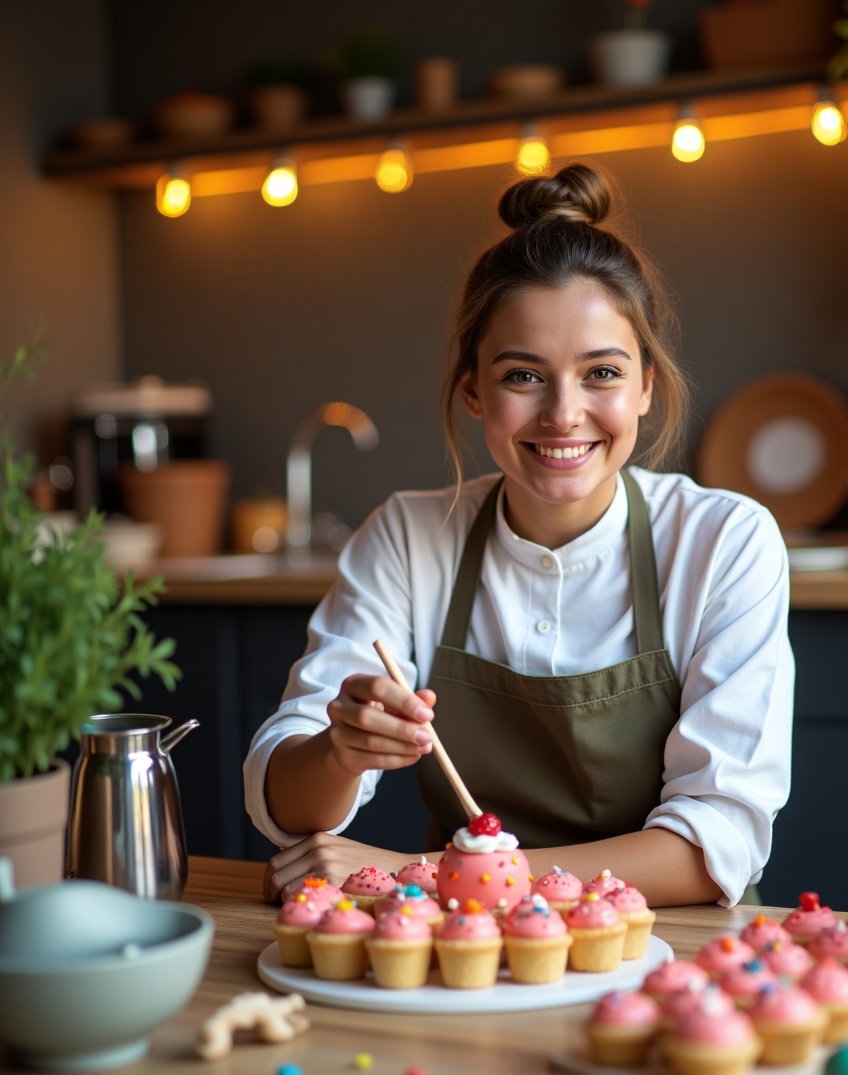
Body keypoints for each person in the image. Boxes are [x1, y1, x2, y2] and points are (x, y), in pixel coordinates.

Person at [245, 163, 793, 907]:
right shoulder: (408, 538)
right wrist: (340, 749)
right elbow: (288, 809)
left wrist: (435, 875)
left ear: (646, 387)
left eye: (601, 373)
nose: (564, 414)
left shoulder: (724, 542)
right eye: (523, 377)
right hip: (459, 954)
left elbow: (713, 848)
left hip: (676, 953)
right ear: (473, 388)